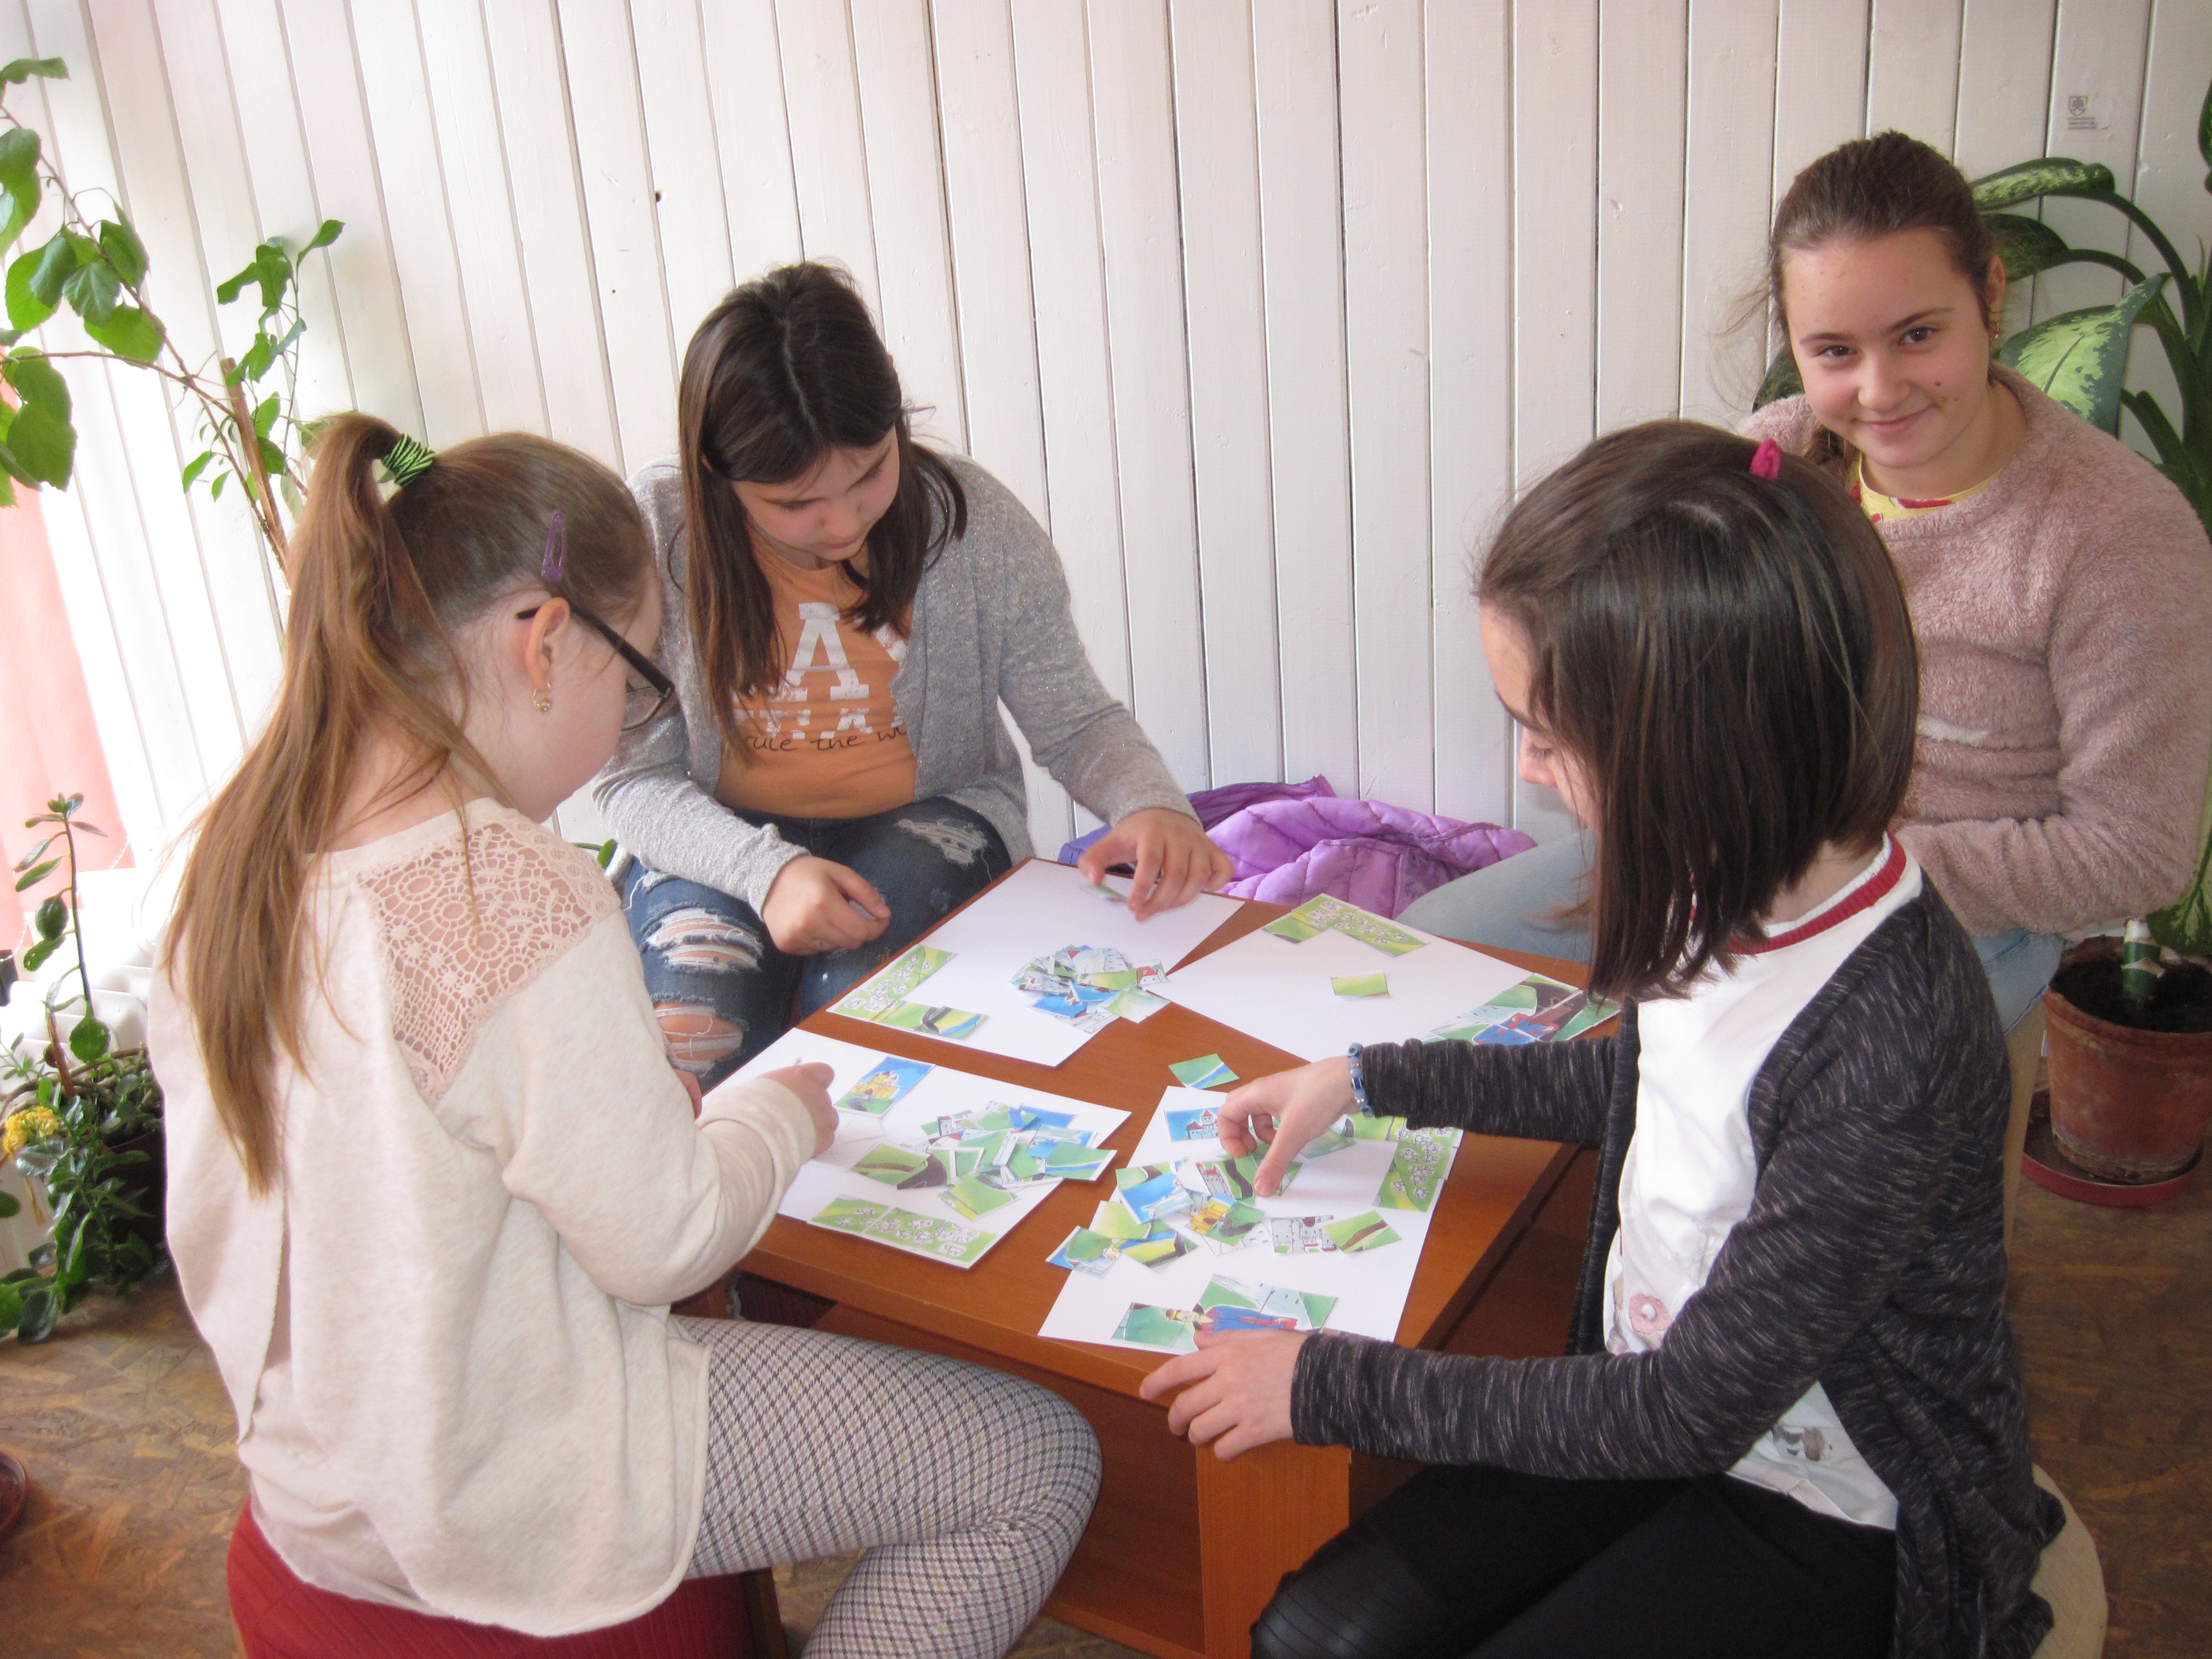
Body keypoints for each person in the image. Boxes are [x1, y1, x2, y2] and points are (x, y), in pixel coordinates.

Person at [149, 415, 1099, 1653]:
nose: (630, 726)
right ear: (546, 644)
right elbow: (670, 1241)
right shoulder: (507, 889)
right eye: (640, 681)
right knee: (1037, 1461)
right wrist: (780, 1106)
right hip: (501, 1477)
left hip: (320, 1481)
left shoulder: (236, 863)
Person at [1139, 422, 2062, 1658]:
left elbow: (1683, 1414)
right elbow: (1638, 1079)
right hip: (1653, 1410)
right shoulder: (1713, 879)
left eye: (1547, 733)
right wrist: (1364, 1080)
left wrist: (1326, 1383)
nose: (1528, 770)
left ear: (1701, 743)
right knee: (1314, 1635)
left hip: (1832, 1507)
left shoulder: (1890, 1038)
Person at [1401, 131, 2212, 1035]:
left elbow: (2136, 852)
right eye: (1833, 351)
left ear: (1990, 293)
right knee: (1427, 954)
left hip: (1948, 910)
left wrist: (1825, 872)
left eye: (1917, 335)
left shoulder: (2120, 534)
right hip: (1726, 860)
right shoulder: (1771, 454)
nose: (1880, 389)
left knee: (1749, 1072)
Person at [598, 262, 1231, 1085]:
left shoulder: (974, 526)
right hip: (717, 833)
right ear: (717, 476)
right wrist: (764, 871)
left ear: (896, 419)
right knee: (693, 1043)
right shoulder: (655, 531)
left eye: (870, 472)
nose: (843, 522)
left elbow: (1076, 722)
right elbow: (630, 777)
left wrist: (1150, 805)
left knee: (865, 1017)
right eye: (794, 504)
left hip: (929, 821)